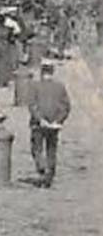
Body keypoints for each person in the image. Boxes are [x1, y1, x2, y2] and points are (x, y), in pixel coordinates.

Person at [27, 58, 71, 187]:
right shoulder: (60, 87)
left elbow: (32, 105)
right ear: (53, 71)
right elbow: (66, 106)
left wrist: (40, 119)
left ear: (41, 72)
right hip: (54, 125)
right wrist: (58, 120)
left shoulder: (34, 86)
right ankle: (49, 174)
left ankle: (42, 168)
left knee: (37, 148)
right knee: (51, 149)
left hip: (38, 124)